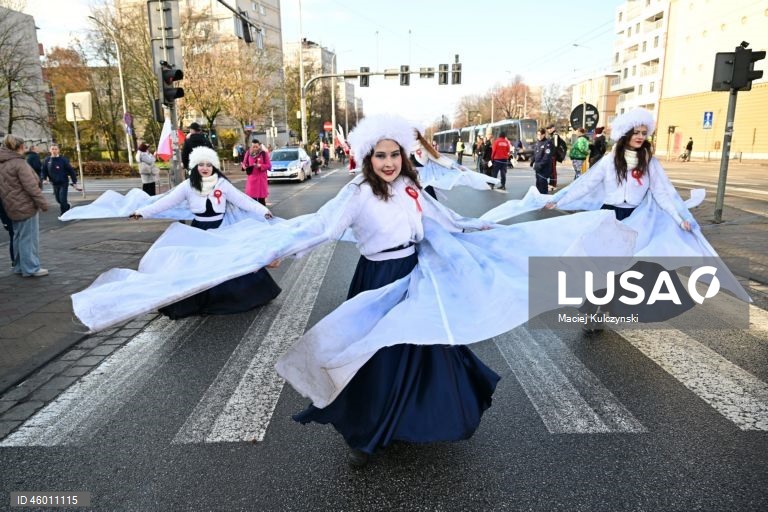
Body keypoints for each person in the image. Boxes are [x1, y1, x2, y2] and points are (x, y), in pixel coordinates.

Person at [288, 114, 500, 467]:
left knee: (425, 349)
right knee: (377, 358)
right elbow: (324, 228)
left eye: (394, 155)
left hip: (415, 273)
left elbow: (445, 219)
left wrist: (482, 228)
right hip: (377, 278)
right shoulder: (358, 192)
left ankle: (419, 417)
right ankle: (364, 432)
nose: (389, 163)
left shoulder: (410, 186)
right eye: (380, 156)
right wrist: (284, 252)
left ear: (404, 155)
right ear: (368, 158)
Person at [544, 108, 696, 330]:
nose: (640, 136)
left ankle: (608, 311)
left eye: (644, 132)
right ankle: (590, 313)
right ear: (625, 133)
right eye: (636, 132)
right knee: (601, 266)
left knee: (628, 271)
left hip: (637, 220)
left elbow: (662, 194)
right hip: (609, 217)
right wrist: (560, 202)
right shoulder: (609, 160)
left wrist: (678, 218)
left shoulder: (650, 162)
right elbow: (586, 184)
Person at [130, 146, 280, 318]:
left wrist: (263, 211)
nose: (205, 168)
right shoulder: (188, 186)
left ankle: (234, 298)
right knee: (199, 266)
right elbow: (166, 202)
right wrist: (142, 212)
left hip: (222, 230)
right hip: (199, 232)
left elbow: (242, 200)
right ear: (195, 166)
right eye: (201, 164)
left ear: (214, 166)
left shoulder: (221, 184)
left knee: (228, 263)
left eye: (209, 164)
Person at [0, 134, 49, 277]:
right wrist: (43, 204)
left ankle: (19, 266)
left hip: (10, 205)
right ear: (20, 147)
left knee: (18, 237)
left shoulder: (2, 163)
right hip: (25, 205)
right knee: (29, 238)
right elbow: (31, 187)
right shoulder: (19, 163)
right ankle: (31, 268)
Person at [42, 143, 77, 215]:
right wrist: (44, 178)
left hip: (63, 182)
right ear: (50, 150)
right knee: (58, 200)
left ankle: (64, 214)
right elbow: (44, 170)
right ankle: (67, 206)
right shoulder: (47, 160)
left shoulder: (63, 160)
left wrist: (74, 182)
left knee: (62, 199)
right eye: (52, 149)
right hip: (54, 183)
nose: (54, 150)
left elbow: (71, 171)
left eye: (55, 149)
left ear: (58, 150)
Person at [241, 138, 271, 205]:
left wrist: (260, 165)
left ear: (259, 146)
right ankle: (253, 214)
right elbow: (244, 162)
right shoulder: (248, 152)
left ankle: (263, 214)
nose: (255, 148)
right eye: (253, 146)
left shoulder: (264, 153)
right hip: (251, 179)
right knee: (252, 200)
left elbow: (268, 165)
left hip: (261, 179)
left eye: (256, 147)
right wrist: (244, 166)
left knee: (261, 200)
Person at [531, 128, 555, 194]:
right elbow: (535, 154)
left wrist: (540, 165)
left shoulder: (547, 143)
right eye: (538, 134)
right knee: (538, 184)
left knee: (543, 185)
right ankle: (539, 200)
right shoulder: (537, 143)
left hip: (544, 168)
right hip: (538, 168)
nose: (539, 136)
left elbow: (547, 157)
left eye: (541, 135)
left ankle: (544, 199)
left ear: (544, 134)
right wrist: (532, 161)